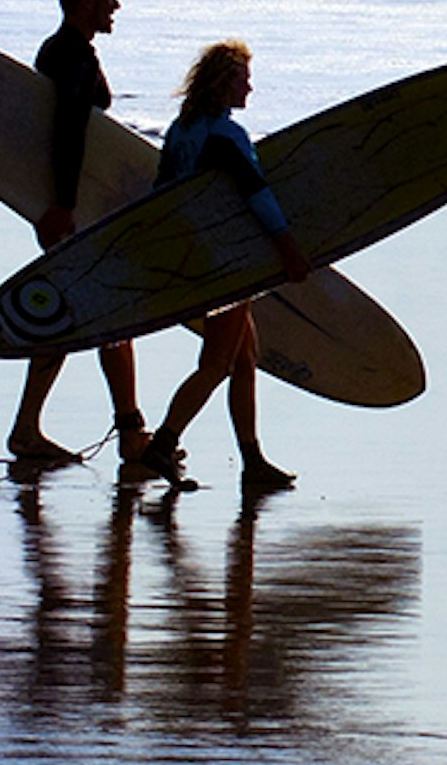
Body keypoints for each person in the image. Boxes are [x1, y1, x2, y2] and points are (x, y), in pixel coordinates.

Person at [127, 40, 315, 494]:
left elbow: (162, 192)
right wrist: (287, 246)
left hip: (194, 256)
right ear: (222, 82)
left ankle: (252, 462)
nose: (249, 86)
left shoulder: (180, 130)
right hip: (226, 262)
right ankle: (164, 443)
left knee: (245, 359)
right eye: (242, 77)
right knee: (216, 364)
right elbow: (256, 193)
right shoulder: (226, 136)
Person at [6, 0, 150, 471]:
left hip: (64, 201)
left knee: (88, 317)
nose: (116, 6)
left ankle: (42, 428)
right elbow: (68, 130)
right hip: (71, 207)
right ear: (85, 1)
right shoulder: (73, 57)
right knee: (92, 317)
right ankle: (123, 433)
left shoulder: (59, 51)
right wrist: (64, 204)